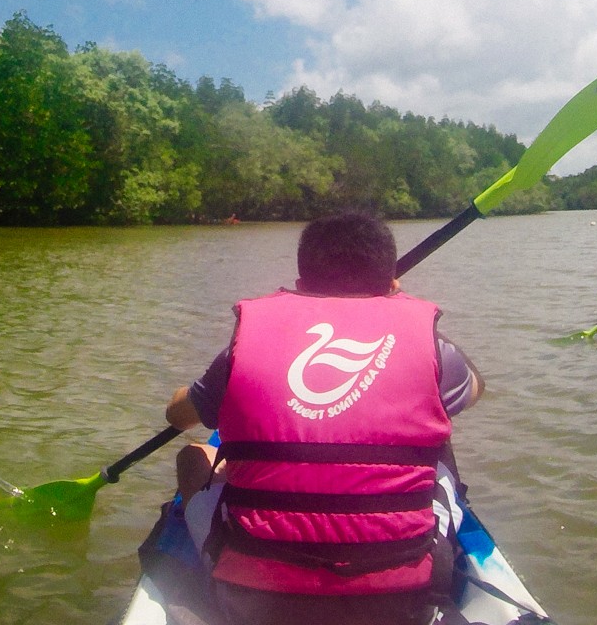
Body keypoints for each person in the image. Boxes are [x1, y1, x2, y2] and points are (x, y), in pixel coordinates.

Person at [163, 212, 483, 625]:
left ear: (300, 285)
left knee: (193, 458)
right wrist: (404, 314)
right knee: (439, 445)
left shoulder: (242, 347)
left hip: (258, 598)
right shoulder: (434, 348)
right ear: (391, 283)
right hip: (400, 599)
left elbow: (178, 416)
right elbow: (474, 390)